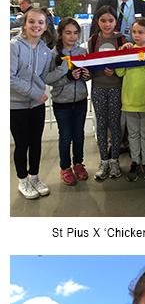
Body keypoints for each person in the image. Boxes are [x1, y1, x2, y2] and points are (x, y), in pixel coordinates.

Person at [10, 8, 52, 199]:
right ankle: (23, 180)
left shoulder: (46, 51)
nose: (36, 26)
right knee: (22, 143)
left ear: (45, 26)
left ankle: (34, 176)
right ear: (25, 24)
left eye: (40, 22)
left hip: (36, 106)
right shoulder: (13, 46)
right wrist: (36, 92)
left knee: (36, 142)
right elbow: (9, 78)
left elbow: (44, 76)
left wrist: (67, 71)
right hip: (16, 105)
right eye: (32, 22)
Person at [116, 18, 145, 182]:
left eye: (141, 32)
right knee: (133, 134)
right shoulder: (128, 51)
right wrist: (122, 54)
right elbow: (120, 73)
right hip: (129, 102)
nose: (136, 35)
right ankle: (135, 161)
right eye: (134, 32)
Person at [46, 18, 90, 185]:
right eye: (68, 33)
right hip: (61, 103)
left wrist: (87, 75)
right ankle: (65, 167)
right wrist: (67, 77)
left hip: (80, 100)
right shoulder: (53, 54)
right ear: (61, 34)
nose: (73, 37)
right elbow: (48, 79)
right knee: (65, 137)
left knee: (79, 135)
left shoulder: (82, 51)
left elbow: (89, 74)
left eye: (76, 33)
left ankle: (78, 163)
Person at [88, 6, 127, 181]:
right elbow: (89, 62)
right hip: (98, 87)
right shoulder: (93, 40)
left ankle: (115, 160)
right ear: (98, 22)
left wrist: (116, 70)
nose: (107, 24)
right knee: (101, 124)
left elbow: (126, 64)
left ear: (116, 21)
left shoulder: (121, 40)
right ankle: (103, 160)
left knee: (115, 123)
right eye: (103, 20)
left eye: (110, 20)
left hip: (116, 87)